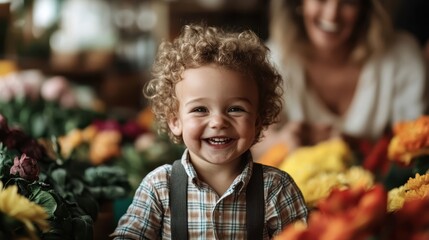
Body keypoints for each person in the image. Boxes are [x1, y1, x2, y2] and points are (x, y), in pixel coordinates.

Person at [111, 24, 309, 239]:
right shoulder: (159, 187)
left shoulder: (276, 189)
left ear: (258, 122)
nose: (218, 122)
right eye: (200, 109)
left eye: (235, 109)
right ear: (175, 121)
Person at [252, 0, 428, 160]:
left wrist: (352, 144)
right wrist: (283, 142)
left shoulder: (402, 58)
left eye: (348, 2)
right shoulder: (273, 62)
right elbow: (248, 146)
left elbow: (417, 150)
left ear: (366, 8)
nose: (332, 15)